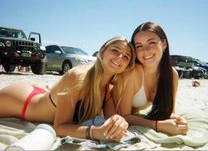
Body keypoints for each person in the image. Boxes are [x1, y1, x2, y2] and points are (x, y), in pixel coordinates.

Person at [0, 36, 136, 142]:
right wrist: (94, 132)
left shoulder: (108, 89)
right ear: (102, 52)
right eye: (115, 50)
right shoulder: (78, 77)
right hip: (21, 101)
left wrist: (119, 122)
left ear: (127, 65)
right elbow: (60, 127)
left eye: (126, 56)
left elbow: (110, 120)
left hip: (43, 94)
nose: (119, 57)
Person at [112, 22, 189, 136]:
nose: (145, 50)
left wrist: (179, 121)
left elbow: (169, 112)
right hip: (105, 114)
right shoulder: (133, 72)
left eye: (151, 43)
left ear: (164, 44)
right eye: (139, 46)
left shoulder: (172, 74)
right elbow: (124, 116)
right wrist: (157, 125)